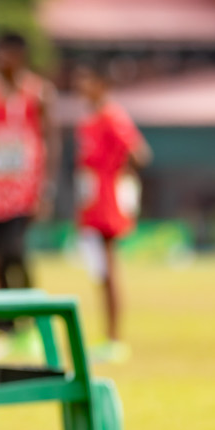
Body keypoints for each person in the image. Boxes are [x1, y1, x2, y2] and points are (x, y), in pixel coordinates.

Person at [74, 63, 150, 364]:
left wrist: (123, 181)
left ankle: (114, 338)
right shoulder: (88, 120)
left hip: (108, 201)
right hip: (92, 200)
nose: (81, 85)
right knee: (100, 272)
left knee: (109, 269)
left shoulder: (112, 117)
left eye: (87, 79)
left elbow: (139, 153)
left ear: (102, 84)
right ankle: (108, 336)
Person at [0, 32, 50, 292]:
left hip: (25, 186)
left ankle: (31, 311)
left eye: (4, 54)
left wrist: (45, 188)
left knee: (14, 250)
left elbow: (51, 139)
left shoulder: (38, 92)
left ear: (19, 57)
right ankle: (5, 323)